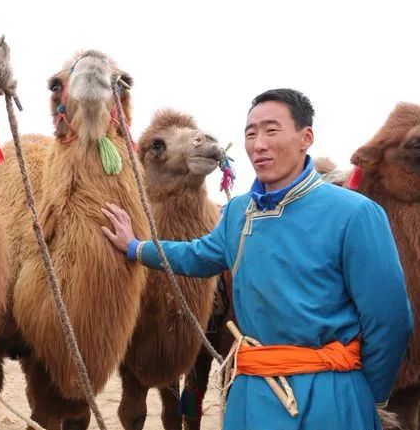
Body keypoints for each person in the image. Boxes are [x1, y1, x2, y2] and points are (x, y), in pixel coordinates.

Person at [101, 89, 412, 429]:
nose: (258, 144)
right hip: (251, 395)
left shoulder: (357, 214)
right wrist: (135, 247)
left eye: (271, 130)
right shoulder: (237, 212)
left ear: (306, 137)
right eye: (251, 133)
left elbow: (390, 320)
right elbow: (198, 255)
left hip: (329, 394)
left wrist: (369, 396)